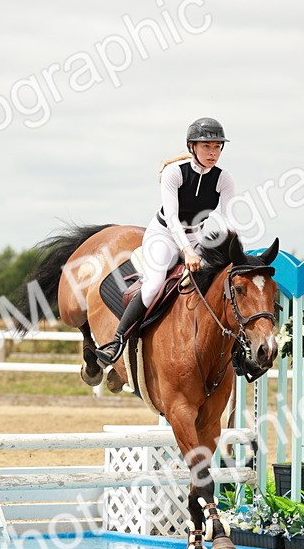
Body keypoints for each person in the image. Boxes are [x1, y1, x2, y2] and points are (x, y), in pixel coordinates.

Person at [95, 117, 238, 365]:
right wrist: (188, 252)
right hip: (164, 234)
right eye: (206, 146)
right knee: (153, 285)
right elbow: (172, 217)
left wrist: (237, 256)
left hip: (196, 236)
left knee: (218, 284)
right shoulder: (175, 173)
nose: (213, 153)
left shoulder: (223, 178)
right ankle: (117, 342)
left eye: (217, 147)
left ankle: (233, 352)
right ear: (191, 147)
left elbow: (229, 221)